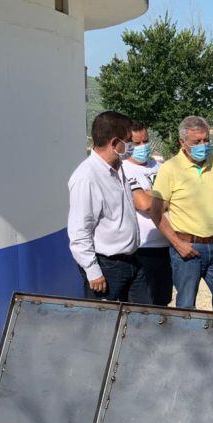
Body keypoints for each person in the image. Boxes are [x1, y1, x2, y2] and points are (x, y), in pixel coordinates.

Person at [150, 115, 213, 313]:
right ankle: (188, 345)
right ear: (182, 143)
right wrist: (177, 244)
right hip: (187, 250)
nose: (203, 145)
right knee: (186, 309)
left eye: (206, 140)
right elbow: (155, 212)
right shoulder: (170, 169)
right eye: (196, 142)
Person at [67, 111, 148, 303]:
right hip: (107, 267)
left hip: (133, 261)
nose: (130, 146)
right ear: (114, 143)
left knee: (142, 321)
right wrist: (93, 271)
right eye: (128, 140)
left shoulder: (118, 168)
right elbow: (79, 231)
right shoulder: (87, 177)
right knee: (103, 326)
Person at [124, 121, 172, 306]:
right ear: (128, 144)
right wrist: (164, 196)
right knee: (144, 305)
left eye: (145, 141)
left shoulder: (160, 166)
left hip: (166, 245)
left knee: (163, 301)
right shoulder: (124, 170)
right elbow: (143, 204)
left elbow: (179, 196)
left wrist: (151, 194)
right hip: (143, 248)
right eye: (137, 143)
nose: (142, 147)